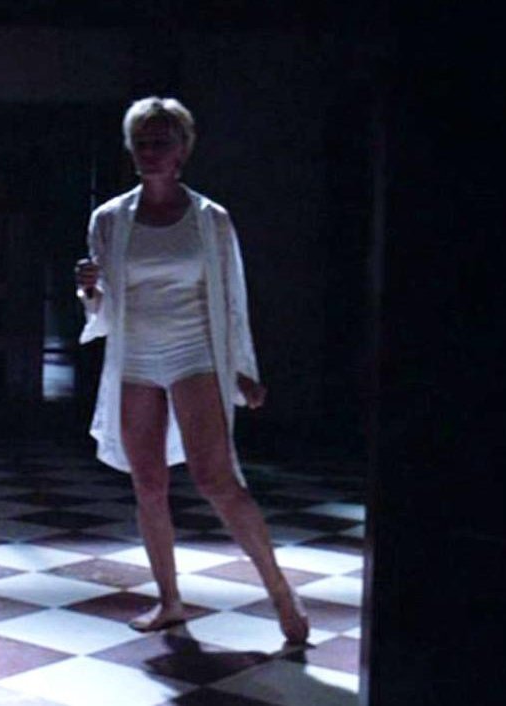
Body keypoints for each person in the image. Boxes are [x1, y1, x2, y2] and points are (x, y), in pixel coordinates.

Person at [74, 97, 309, 643]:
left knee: (215, 479)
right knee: (148, 483)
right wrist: (88, 289)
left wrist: (242, 369)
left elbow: (232, 299)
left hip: (194, 353)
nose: (151, 152)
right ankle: (169, 600)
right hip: (135, 356)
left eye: (161, 142)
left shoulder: (209, 219)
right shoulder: (110, 219)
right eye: (142, 143)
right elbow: (103, 309)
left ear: (182, 150)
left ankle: (280, 591)